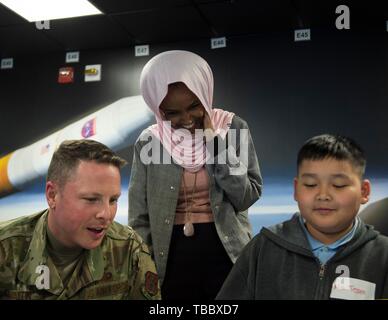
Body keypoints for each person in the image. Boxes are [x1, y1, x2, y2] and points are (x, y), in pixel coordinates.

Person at [128, 50, 262, 300]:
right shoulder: (149, 141)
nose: (187, 119)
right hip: (170, 255)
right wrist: (144, 267)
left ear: (204, 93)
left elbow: (245, 196)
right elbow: (139, 217)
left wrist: (212, 140)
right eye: (172, 113)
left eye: (194, 106)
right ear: (158, 110)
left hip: (226, 251)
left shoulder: (233, 128)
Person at [217, 134, 388, 300]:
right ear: (297, 189)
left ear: (364, 192)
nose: (323, 195)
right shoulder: (263, 248)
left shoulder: (382, 256)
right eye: (311, 184)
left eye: (338, 185)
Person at [0, 139, 160, 300]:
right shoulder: (4, 249)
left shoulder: (128, 248)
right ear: (52, 195)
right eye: (91, 199)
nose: (106, 214)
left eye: (113, 200)